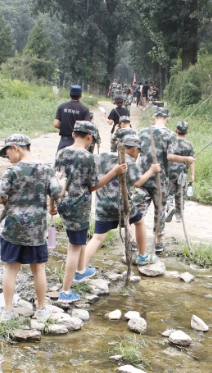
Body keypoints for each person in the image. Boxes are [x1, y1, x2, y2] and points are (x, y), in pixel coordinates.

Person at [51, 121, 127, 303]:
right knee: (74, 247)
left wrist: (51, 204)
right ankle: (66, 291)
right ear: (89, 138)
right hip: (79, 206)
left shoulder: (61, 152)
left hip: (62, 203)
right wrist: (114, 172)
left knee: (79, 239)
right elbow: (93, 186)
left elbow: (54, 181)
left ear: (72, 135)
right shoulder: (87, 157)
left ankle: (81, 270)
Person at [0, 134, 65, 321]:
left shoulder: (12, 171)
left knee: (11, 269)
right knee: (38, 269)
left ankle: (8, 311)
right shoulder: (46, 169)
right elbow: (57, 193)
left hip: (14, 229)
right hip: (36, 230)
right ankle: (41, 309)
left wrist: (7, 202)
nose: (8, 158)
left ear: (15, 147)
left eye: (7, 153)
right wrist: (62, 182)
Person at [79, 135, 161, 270]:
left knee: (97, 238)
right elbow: (138, 183)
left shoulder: (102, 156)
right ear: (134, 149)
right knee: (139, 222)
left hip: (102, 205)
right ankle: (142, 256)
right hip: (122, 204)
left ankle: (80, 269)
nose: (138, 154)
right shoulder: (129, 161)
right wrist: (151, 171)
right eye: (138, 151)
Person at [133, 108, 195, 253]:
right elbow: (170, 156)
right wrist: (186, 159)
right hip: (160, 179)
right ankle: (158, 242)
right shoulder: (170, 135)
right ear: (167, 118)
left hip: (143, 176)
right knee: (160, 210)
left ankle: (134, 241)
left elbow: (136, 152)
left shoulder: (142, 131)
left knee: (138, 209)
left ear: (154, 117)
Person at [166, 121, 195, 224]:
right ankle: (179, 215)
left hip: (170, 172)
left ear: (176, 130)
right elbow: (191, 161)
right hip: (182, 173)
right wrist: (192, 174)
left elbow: (168, 157)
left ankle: (169, 207)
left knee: (169, 192)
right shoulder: (189, 145)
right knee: (180, 193)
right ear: (187, 132)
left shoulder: (172, 143)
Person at [53, 85, 91, 152]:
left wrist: (63, 127)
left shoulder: (62, 107)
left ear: (70, 94)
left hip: (64, 141)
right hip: (78, 142)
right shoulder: (84, 109)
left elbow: (55, 124)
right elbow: (87, 126)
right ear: (80, 95)